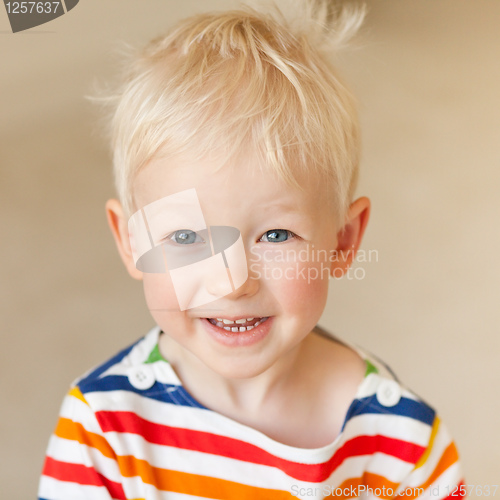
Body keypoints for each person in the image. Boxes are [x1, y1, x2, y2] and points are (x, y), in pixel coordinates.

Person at [38, 1, 465, 498]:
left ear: (343, 241)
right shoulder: (102, 427)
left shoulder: (403, 446)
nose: (232, 281)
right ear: (132, 242)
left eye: (276, 236)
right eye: (185, 237)